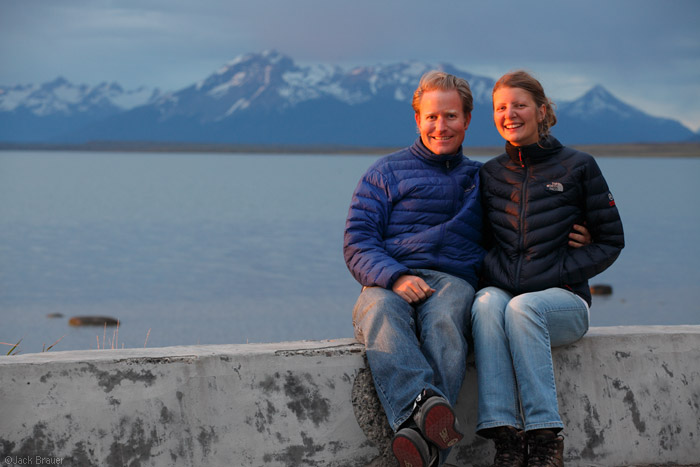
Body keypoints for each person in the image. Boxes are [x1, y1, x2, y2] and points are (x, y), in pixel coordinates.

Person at [471, 70, 625, 467]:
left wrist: (561, 267)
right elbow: (477, 241)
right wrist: (495, 269)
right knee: (487, 302)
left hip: (564, 301)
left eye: (519, 105)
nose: (510, 114)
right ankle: (504, 437)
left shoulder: (579, 166)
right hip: (507, 295)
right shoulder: (488, 174)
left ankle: (544, 438)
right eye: (501, 107)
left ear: (542, 111)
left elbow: (611, 240)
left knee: (524, 308)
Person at [344, 70, 484, 467]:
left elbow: (522, 220)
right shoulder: (383, 173)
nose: (441, 126)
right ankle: (426, 416)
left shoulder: (481, 179)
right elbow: (357, 242)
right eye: (431, 117)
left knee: (445, 320)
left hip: (452, 279)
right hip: (388, 278)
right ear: (418, 119)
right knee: (380, 312)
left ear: (468, 119)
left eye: (451, 116)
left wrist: (573, 237)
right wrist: (395, 276)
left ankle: (417, 439)